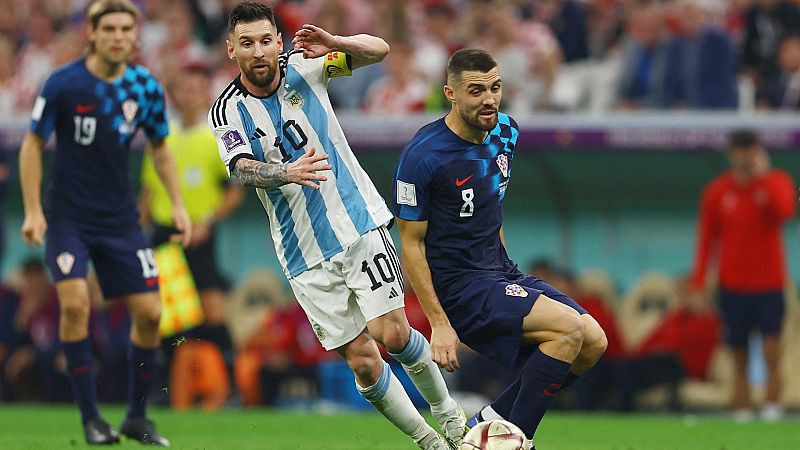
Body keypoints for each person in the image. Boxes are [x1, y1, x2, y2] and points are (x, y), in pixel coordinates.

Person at [207, 3, 464, 449]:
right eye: (247, 43)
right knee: (363, 362)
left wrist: (338, 43)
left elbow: (379, 50)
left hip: (357, 222)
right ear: (232, 50)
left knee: (394, 334)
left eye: (266, 40)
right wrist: (286, 172)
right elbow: (240, 168)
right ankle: (431, 442)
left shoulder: (305, 67)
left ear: (279, 42)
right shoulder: (227, 110)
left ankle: (453, 420)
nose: (259, 51)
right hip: (302, 253)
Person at [392, 48, 607, 449]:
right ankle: (514, 442)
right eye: (476, 91)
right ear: (451, 94)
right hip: (460, 287)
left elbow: (492, 205)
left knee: (593, 341)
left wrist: (506, 269)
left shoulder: (507, 132)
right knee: (568, 330)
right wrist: (439, 323)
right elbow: (411, 244)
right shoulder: (423, 156)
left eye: (495, 88)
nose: (489, 99)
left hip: (499, 273)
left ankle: (485, 425)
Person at [19, 0, 190, 446]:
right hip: (68, 218)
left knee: (152, 314)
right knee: (76, 305)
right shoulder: (64, 83)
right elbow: (33, 144)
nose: (118, 36)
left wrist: (178, 204)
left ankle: (136, 417)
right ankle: (92, 419)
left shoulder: (145, 87)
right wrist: (33, 210)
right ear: (91, 33)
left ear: (136, 36)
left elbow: (160, 148)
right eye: (109, 28)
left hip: (120, 221)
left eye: (125, 28)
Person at [139, 61, 244, 370]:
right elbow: (148, 191)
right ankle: (168, 385)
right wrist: (135, 232)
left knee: (212, 309)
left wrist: (207, 222)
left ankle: (232, 380)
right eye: (185, 88)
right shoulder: (161, 137)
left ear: (204, 95)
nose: (191, 94)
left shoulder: (217, 137)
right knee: (167, 314)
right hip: (164, 232)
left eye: (197, 89)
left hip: (199, 234)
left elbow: (235, 191)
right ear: (176, 94)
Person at [691, 130, 797, 422]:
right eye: (739, 150)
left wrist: (763, 178)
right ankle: (743, 408)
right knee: (738, 353)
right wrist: (699, 282)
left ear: (757, 152)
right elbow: (706, 239)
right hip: (732, 285)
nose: (744, 156)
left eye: (749, 150)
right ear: (731, 153)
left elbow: (785, 211)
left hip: (770, 284)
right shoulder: (718, 190)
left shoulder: (777, 182)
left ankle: (773, 407)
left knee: (771, 350)